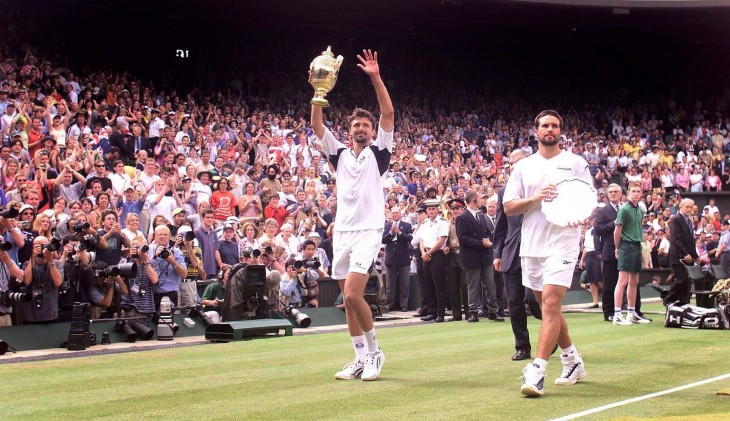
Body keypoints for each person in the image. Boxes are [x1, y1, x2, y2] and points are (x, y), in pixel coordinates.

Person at [310, 49, 394, 381]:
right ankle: (359, 357)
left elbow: (387, 111)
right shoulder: (340, 153)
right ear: (350, 130)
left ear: (373, 131)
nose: (361, 127)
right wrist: (318, 93)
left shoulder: (380, 152)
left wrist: (374, 76)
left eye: (365, 124)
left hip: (368, 230)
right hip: (342, 232)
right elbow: (316, 124)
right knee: (348, 300)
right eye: (356, 124)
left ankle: (375, 352)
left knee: (352, 294)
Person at [503, 110, 589, 397]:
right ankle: (572, 360)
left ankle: (537, 369)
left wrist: (581, 215)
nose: (549, 129)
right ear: (536, 131)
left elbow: (589, 199)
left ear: (560, 131)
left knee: (551, 301)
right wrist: (536, 197)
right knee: (545, 306)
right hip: (532, 245)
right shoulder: (523, 167)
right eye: (544, 125)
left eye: (554, 125)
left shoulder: (576, 163)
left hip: (563, 241)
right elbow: (509, 206)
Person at [494, 149, 542, 361]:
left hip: (538, 250)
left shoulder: (543, 187)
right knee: (513, 302)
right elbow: (501, 224)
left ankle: (555, 334)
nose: (516, 167)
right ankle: (523, 347)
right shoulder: (505, 191)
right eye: (513, 164)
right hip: (513, 252)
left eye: (520, 162)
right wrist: (497, 253)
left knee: (535, 300)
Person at [456, 190, 500, 322]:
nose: (482, 201)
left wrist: (488, 241)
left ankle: (493, 310)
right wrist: (481, 243)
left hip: (484, 256)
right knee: (473, 286)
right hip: (472, 257)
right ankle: (473, 311)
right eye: (480, 198)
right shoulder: (462, 217)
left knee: (490, 285)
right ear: (474, 200)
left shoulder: (481, 216)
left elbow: (486, 232)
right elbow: (462, 238)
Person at [612, 182, 651, 325]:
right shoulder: (624, 209)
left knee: (634, 281)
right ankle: (617, 314)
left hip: (636, 245)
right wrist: (617, 249)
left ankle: (631, 313)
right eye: (633, 191)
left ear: (641, 193)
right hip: (626, 246)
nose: (636, 193)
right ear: (628, 193)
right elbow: (617, 231)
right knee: (622, 281)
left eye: (638, 191)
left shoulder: (640, 210)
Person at [664, 198, 698, 306]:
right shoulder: (676, 219)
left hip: (688, 257)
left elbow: (691, 240)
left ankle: (684, 304)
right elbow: (675, 240)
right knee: (681, 279)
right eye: (687, 207)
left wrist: (695, 255)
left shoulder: (689, 220)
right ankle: (668, 299)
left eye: (691, 207)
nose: (689, 209)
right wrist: (685, 254)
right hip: (678, 256)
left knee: (687, 282)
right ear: (681, 207)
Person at [382, 206, 413, 312]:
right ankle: (390, 305)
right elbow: (383, 240)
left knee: (405, 283)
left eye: (397, 213)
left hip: (403, 257)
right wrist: (391, 232)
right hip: (391, 257)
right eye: (393, 213)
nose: (395, 214)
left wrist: (399, 232)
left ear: (400, 214)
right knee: (390, 284)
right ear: (391, 214)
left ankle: (404, 305)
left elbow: (410, 238)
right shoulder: (387, 226)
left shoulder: (407, 225)